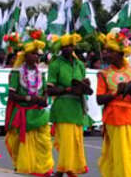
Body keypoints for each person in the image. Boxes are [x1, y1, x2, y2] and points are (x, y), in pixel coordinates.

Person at [96, 28, 131, 177]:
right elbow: (99, 99)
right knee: (120, 155)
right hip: (114, 118)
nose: (106, 54)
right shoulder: (104, 74)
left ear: (120, 54)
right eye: (106, 51)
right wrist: (116, 93)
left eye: (110, 51)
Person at [6, 35, 53, 176]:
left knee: (44, 144)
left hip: (39, 113)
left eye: (38, 54)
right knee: (21, 146)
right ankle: (25, 168)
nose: (37, 57)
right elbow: (12, 95)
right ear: (26, 56)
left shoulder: (41, 73)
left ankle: (43, 169)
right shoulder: (16, 73)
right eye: (34, 54)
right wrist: (29, 98)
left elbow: (45, 91)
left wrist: (43, 99)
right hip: (23, 114)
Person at [45, 33, 90, 177]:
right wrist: (67, 89)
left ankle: (69, 169)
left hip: (77, 106)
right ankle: (61, 170)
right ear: (61, 48)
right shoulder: (55, 64)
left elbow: (83, 83)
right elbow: (50, 89)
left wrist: (85, 85)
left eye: (71, 46)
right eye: (65, 47)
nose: (69, 49)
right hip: (63, 106)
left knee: (76, 141)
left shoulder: (79, 64)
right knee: (66, 141)